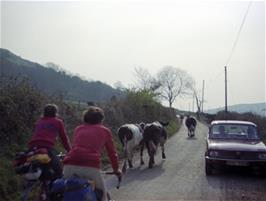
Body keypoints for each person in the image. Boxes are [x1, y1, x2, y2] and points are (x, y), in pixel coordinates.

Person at [63, 106, 122, 201]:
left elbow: (75, 146)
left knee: (66, 192)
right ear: (101, 120)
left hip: (69, 165)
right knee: (103, 195)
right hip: (90, 166)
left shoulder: (78, 129)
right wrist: (116, 169)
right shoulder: (105, 131)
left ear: (85, 118)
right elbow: (112, 153)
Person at [28, 104, 71, 179]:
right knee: (59, 171)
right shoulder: (58, 122)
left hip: (33, 147)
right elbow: (64, 139)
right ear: (55, 113)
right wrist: (70, 151)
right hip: (47, 147)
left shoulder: (39, 121)